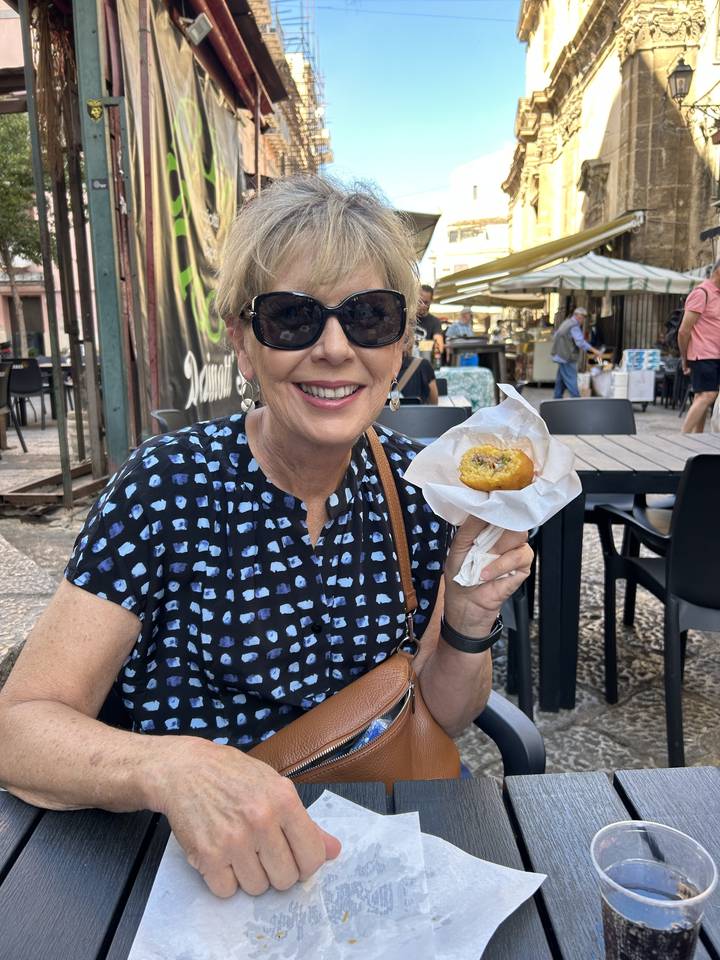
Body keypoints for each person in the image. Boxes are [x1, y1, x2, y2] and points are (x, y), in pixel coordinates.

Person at [0, 177, 532, 900]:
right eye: (291, 318)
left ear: (402, 342)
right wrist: (168, 767)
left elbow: (445, 714)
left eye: (369, 316)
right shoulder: (168, 485)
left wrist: (468, 622)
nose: (335, 348)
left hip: (367, 850)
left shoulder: (424, 487)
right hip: (192, 866)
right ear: (243, 345)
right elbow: (20, 727)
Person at [678, 259, 720, 433]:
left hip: (715, 354)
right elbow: (683, 331)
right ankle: (682, 437)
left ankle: (697, 438)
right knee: (708, 395)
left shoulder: (717, 294)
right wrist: (684, 358)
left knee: (701, 396)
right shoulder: (701, 293)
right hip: (703, 354)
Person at [551, 306, 604, 398]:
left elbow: (556, 335)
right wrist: (595, 351)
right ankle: (576, 399)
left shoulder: (566, 322)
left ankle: (557, 398)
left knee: (561, 380)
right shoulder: (574, 326)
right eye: (583, 318)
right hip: (567, 357)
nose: (583, 321)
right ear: (579, 316)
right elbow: (580, 342)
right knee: (571, 379)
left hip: (560, 355)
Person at [416, 283, 444, 354]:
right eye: (420, 301)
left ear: (431, 301)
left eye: (426, 302)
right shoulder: (407, 318)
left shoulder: (435, 322)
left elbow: (439, 347)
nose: (422, 305)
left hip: (424, 358)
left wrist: (414, 345)